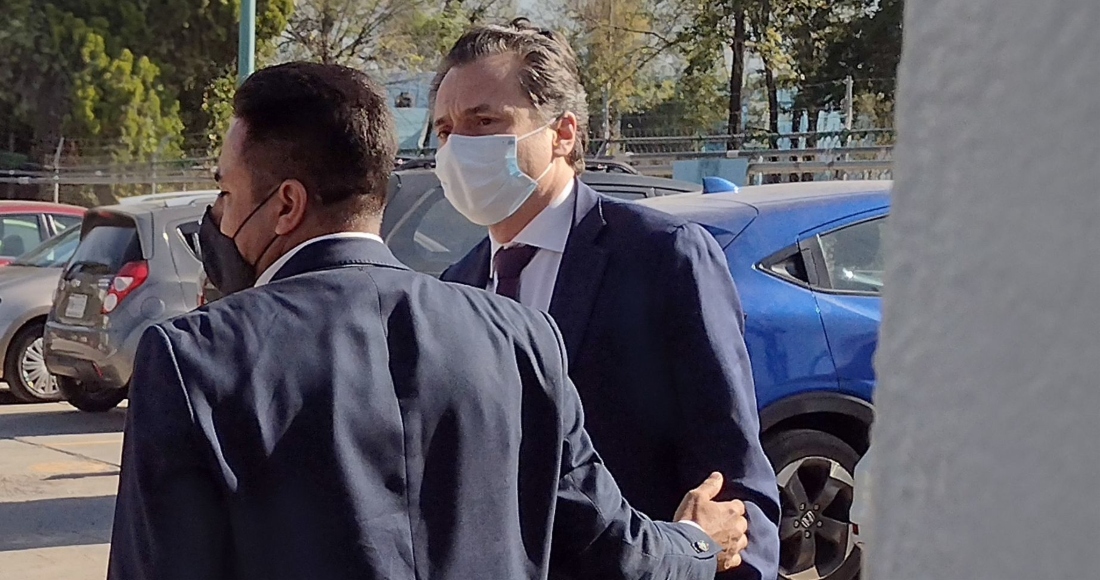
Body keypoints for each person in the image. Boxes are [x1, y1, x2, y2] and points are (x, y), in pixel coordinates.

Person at [106, 62, 750, 580]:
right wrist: (696, 542)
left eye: (225, 192)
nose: (217, 218)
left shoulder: (193, 359)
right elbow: (611, 548)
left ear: (287, 205)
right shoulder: (519, 336)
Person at [434, 20, 781, 580]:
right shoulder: (456, 288)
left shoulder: (660, 255)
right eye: (445, 131)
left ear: (563, 132)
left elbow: (729, 464)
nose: (458, 148)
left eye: (484, 122)